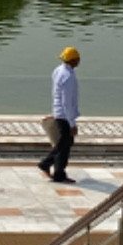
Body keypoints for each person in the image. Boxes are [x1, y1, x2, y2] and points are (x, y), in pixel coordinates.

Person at [38, 46, 80, 184]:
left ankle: (59, 173)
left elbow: (56, 94)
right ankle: (46, 164)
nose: (79, 62)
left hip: (60, 112)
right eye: (77, 59)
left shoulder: (58, 70)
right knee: (63, 145)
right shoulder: (68, 77)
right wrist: (72, 123)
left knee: (64, 144)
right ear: (73, 60)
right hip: (64, 115)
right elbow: (66, 102)